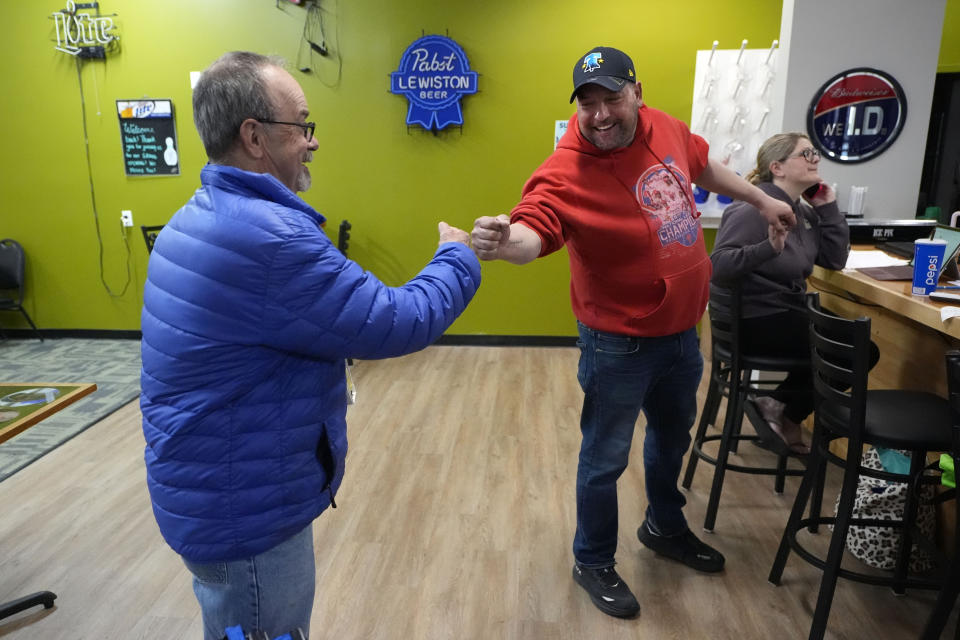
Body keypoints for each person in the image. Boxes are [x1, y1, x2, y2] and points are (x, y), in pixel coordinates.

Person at [139, 51, 481, 640]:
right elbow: (397, 320)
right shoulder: (270, 238)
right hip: (244, 510)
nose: (312, 141)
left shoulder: (197, 216)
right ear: (254, 137)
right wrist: (457, 255)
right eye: (302, 125)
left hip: (215, 486)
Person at [470, 46, 796, 619]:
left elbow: (701, 165)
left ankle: (662, 527)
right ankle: (592, 557)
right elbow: (532, 230)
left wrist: (761, 198)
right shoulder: (563, 170)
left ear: (636, 92)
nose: (599, 114)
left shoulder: (663, 126)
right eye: (587, 103)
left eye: (611, 98)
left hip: (682, 332)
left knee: (671, 440)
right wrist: (503, 244)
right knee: (604, 457)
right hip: (617, 342)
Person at [710, 133, 854, 455]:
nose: (816, 159)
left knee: (851, 345)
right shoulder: (753, 207)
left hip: (786, 313)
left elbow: (834, 260)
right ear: (777, 167)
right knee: (850, 349)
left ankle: (780, 408)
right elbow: (717, 265)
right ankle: (782, 410)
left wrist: (829, 209)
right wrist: (768, 248)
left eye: (816, 153)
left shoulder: (803, 213)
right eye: (806, 154)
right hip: (755, 318)